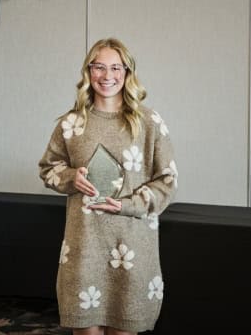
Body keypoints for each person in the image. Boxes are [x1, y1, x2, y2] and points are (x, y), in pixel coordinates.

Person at [39, 38, 178, 335]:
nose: (107, 75)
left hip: (133, 246)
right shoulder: (71, 123)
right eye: (99, 67)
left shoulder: (148, 122)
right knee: (85, 329)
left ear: (127, 73)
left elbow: (167, 181)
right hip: (84, 245)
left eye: (116, 67)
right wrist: (71, 176)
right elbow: (49, 169)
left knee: (123, 329)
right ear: (89, 72)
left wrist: (128, 204)